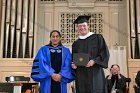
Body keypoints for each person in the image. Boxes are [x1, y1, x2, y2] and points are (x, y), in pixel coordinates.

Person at [71, 15, 110, 93]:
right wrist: (73, 65)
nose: (82, 28)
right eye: (80, 26)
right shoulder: (76, 43)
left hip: (95, 72)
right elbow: (73, 58)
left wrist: (94, 61)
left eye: (84, 25)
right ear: (78, 28)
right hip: (81, 74)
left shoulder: (97, 38)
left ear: (88, 26)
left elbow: (104, 53)